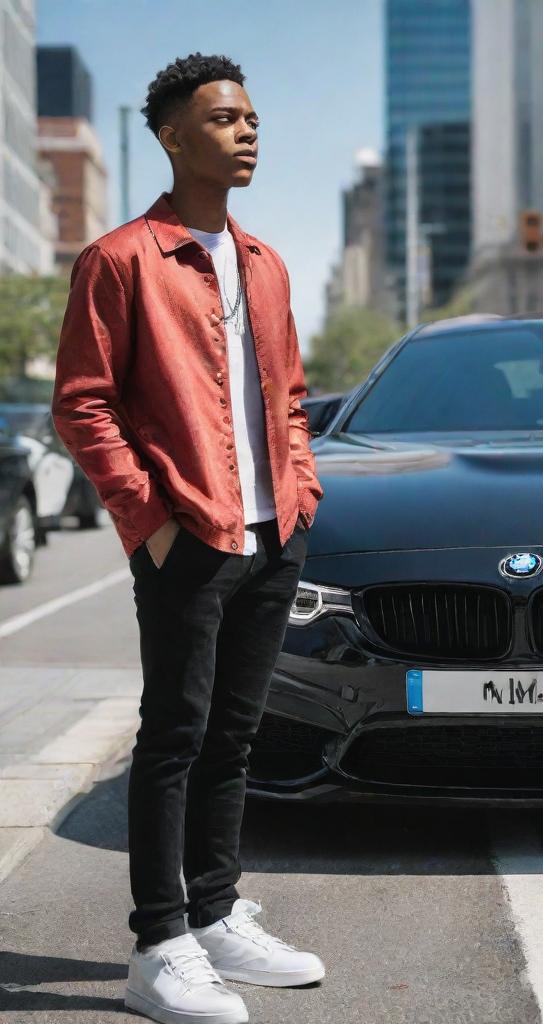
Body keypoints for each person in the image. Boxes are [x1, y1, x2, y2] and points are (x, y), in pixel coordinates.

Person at [51, 53, 325, 1024]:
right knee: (172, 735)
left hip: (271, 531)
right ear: (173, 137)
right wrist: (149, 520)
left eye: (251, 116)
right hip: (189, 536)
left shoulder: (265, 263)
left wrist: (301, 488)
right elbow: (84, 407)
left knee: (235, 736)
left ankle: (213, 914)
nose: (247, 130)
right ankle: (157, 944)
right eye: (222, 117)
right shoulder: (120, 260)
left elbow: (289, 396)